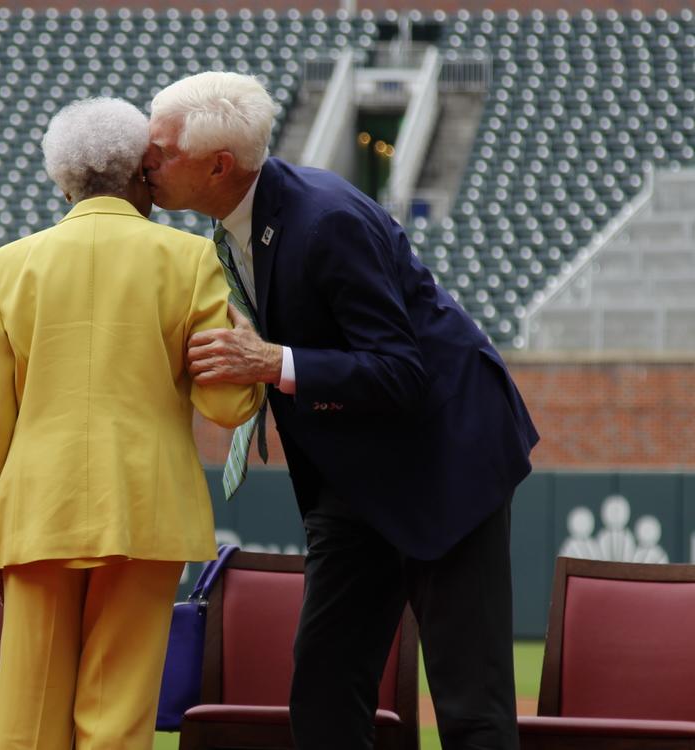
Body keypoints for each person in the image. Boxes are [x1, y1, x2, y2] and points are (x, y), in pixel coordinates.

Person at [144, 71, 539, 750]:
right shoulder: (236, 219)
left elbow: (399, 371)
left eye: (160, 150)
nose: (143, 160)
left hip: (442, 462)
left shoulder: (325, 220)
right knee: (324, 685)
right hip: (351, 478)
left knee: (469, 701)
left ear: (219, 166)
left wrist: (275, 363)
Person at [0, 97, 264, 750]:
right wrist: (253, 352)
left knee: (26, 717)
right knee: (118, 716)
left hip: (36, 512)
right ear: (140, 173)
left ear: (63, 178)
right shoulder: (191, 260)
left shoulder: (10, 264)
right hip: (145, 507)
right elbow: (226, 404)